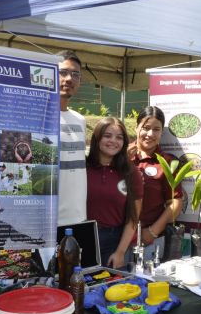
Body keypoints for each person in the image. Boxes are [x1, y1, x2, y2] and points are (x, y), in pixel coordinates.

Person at [86, 117, 143, 268]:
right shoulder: (81, 167)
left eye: (119, 137)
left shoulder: (131, 172)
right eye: (107, 136)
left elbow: (133, 218)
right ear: (97, 138)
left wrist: (120, 252)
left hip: (113, 242)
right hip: (81, 239)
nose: (113, 141)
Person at [128, 106, 183, 261]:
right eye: (146, 128)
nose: (150, 134)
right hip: (117, 237)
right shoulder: (120, 155)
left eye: (156, 129)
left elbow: (176, 202)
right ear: (136, 127)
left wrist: (152, 232)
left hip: (150, 240)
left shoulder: (166, 162)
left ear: (161, 133)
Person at [57, 51, 87, 228]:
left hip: (78, 217)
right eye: (63, 72)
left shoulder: (80, 120)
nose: (69, 78)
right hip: (48, 220)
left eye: (75, 74)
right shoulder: (38, 117)